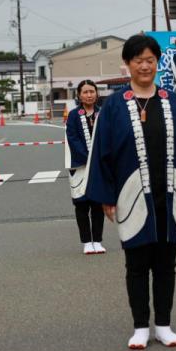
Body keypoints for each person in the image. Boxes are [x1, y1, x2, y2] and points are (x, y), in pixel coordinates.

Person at [86, 35, 176, 350]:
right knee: (137, 263)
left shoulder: (173, 102)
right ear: (127, 64)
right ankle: (141, 326)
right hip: (130, 195)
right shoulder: (113, 106)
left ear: (157, 63)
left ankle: (164, 325)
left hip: (169, 193)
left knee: (167, 263)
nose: (144, 65)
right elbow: (101, 152)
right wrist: (106, 196)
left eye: (150, 60)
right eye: (138, 60)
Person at [65, 80, 106, 255]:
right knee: (81, 205)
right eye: (85, 92)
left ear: (97, 94)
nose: (89, 95)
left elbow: (108, 137)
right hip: (80, 165)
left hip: (99, 165)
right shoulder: (74, 115)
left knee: (98, 205)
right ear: (79, 95)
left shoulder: (103, 114)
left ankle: (97, 240)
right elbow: (72, 138)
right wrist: (88, 156)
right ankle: (86, 242)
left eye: (92, 91)